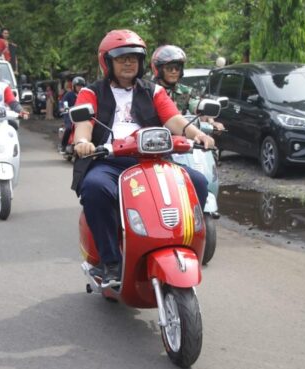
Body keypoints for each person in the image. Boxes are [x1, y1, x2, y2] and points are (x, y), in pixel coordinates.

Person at [71, 29, 214, 287]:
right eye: (122, 57)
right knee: (94, 189)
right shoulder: (91, 92)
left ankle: (180, 244)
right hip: (109, 161)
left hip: (152, 160)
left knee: (198, 183)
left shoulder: (153, 91)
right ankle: (111, 262)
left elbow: (174, 120)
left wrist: (197, 135)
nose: (128, 63)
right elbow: (83, 126)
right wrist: (83, 142)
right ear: (107, 62)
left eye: (133, 58)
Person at [151, 45, 225, 131]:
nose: (174, 71)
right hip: (152, 138)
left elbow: (199, 106)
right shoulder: (148, 90)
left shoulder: (187, 91)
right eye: (169, 68)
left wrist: (211, 122)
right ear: (158, 69)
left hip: (181, 136)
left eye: (177, 68)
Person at [59, 76, 86, 151]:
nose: (79, 87)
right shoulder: (69, 94)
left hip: (82, 115)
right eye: (78, 85)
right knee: (69, 128)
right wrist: (63, 108)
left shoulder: (85, 94)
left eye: (81, 85)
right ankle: (63, 145)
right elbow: (63, 102)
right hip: (70, 115)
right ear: (74, 86)